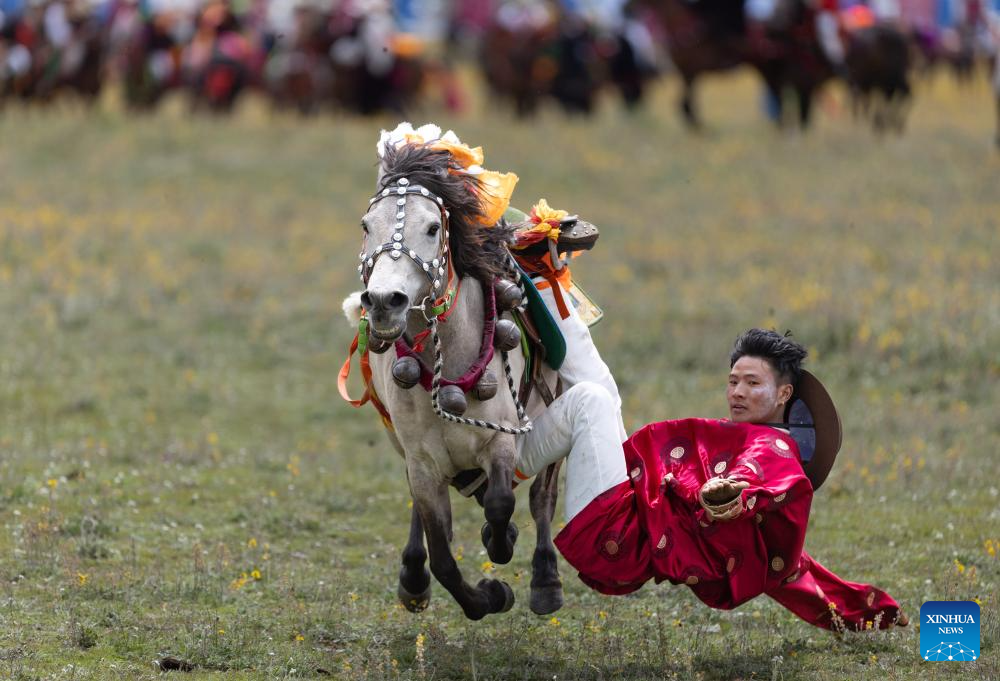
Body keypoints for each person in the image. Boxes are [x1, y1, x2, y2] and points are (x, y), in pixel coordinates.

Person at [515, 328, 908, 631]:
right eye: (733, 381)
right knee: (601, 386)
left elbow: (756, 473)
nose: (737, 392)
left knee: (591, 400)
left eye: (753, 383)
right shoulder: (744, 436)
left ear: (784, 393)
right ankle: (545, 273)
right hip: (628, 505)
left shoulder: (775, 449)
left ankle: (500, 457)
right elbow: (795, 572)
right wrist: (869, 613)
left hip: (615, 533)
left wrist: (730, 489)